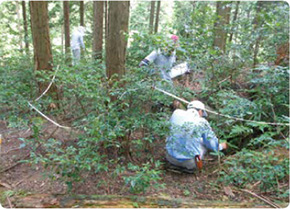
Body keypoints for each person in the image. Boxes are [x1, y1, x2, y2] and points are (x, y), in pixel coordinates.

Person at [165, 100, 227, 173]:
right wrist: (221, 146)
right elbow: (211, 143)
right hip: (189, 163)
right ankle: (193, 167)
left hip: (170, 158)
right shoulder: (201, 122)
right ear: (200, 111)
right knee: (203, 142)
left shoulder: (176, 113)